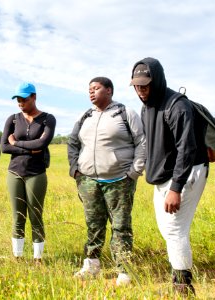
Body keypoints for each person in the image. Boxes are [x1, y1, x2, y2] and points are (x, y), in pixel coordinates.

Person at [130, 57, 208, 294]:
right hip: (164, 176)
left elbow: (187, 149)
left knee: (174, 230)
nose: (141, 90)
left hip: (186, 173)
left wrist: (176, 188)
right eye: (136, 85)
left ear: (158, 80)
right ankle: (179, 273)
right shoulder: (147, 107)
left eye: (145, 85)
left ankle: (183, 287)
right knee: (167, 229)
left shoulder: (177, 106)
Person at [67, 77, 146, 285]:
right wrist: (75, 169)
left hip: (120, 180)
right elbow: (73, 142)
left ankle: (124, 270)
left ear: (109, 90)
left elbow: (142, 142)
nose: (91, 92)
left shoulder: (125, 113)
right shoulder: (85, 116)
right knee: (93, 224)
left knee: (120, 225)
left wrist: (134, 172)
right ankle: (92, 265)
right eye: (89, 89)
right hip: (89, 181)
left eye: (96, 88)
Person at [1, 82, 56, 262]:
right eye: (18, 99)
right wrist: (28, 149)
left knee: (35, 214)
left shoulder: (48, 119)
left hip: (36, 173)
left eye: (24, 99)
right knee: (18, 215)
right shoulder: (13, 119)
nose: (20, 102)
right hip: (15, 173)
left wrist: (16, 143)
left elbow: (41, 144)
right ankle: (17, 257)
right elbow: (4, 147)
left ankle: (37, 258)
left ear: (34, 97)